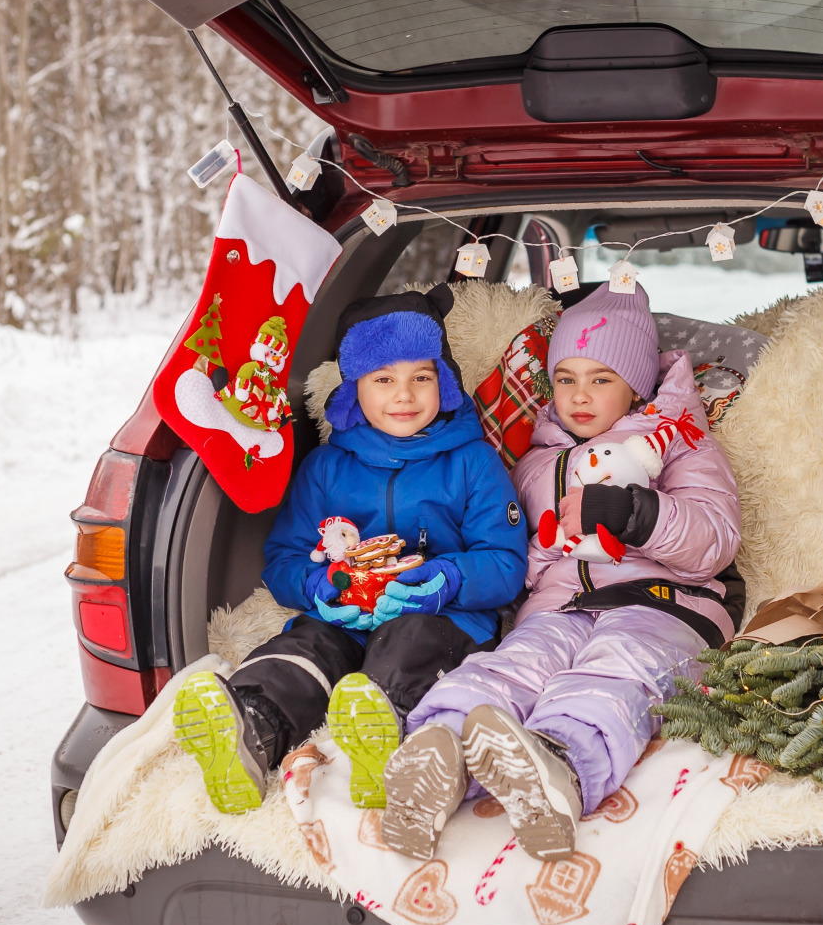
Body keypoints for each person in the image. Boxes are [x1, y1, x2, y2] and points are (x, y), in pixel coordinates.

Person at [379, 281, 743, 861]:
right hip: (559, 605)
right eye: (567, 378)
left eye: (601, 379)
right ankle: (438, 751)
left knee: (618, 669)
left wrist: (636, 514)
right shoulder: (536, 460)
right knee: (516, 665)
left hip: (664, 603)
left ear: (637, 384)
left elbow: (715, 542)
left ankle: (561, 766)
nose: (580, 395)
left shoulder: (682, 444)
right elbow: (514, 547)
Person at [172, 285, 528, 815]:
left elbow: (506, 563)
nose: (404, 396)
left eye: (420, 378)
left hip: (442, 618)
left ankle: (381, 739)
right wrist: (318, 587)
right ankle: (250, 726)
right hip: (344, 616)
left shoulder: (472, 462)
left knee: (406, 648)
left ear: (444, 383)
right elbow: (285, 559)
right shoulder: (326, 468)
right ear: (353, 390)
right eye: (383, 380)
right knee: (303, 649)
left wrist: (446, 580)